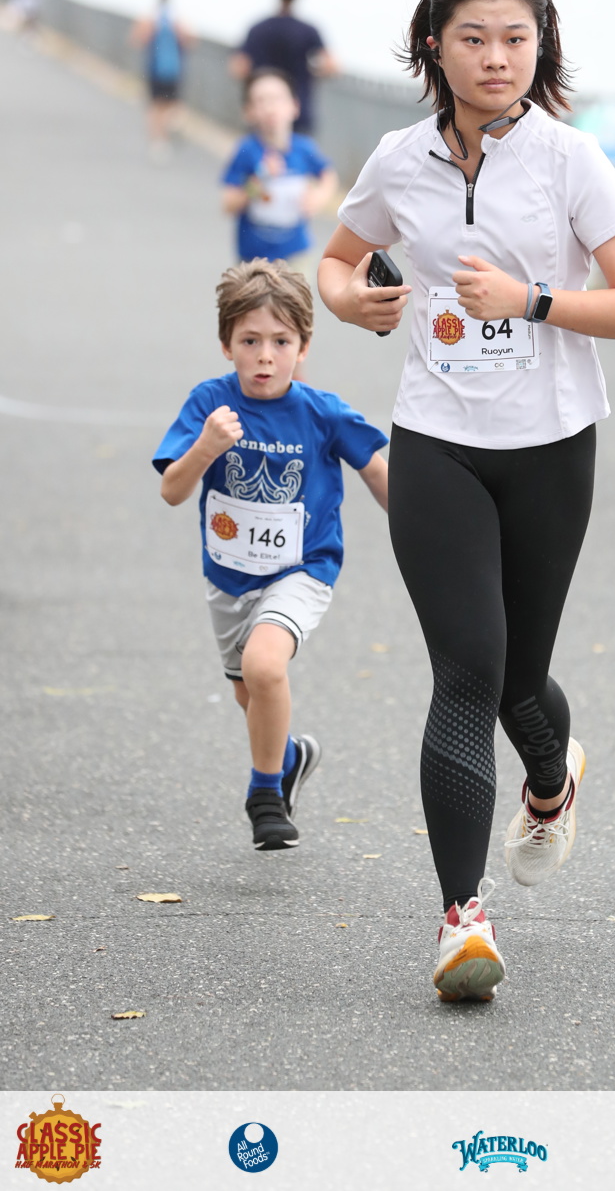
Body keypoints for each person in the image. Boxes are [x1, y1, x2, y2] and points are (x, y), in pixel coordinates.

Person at [318, 0, 615, 1002]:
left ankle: (551, 780)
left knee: (518, 678)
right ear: (436, 47)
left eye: (517, 38)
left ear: (539, 47)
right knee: (467, 667)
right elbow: (335, 260)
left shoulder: (570, 159)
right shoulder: (399, 159)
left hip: (551, 445)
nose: (497, 57)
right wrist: (351, 301)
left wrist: (531, 301)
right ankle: (461, 921)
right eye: (475, 38)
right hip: (435, 440)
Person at [152, 260, 388, 852]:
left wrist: (435, 531)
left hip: (302, 570)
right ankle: (289, 757)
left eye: (280, 342)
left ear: (303, 346)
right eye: (249, 341)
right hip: (229, 577)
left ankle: (265, 796)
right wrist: (206, 446)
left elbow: (379, 475)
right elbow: (172, 491)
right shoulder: (210, 403)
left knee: (263, 668)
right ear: (225, 344)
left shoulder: (322, 412)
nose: (264, 356)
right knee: (248, 692)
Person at [221, 67, 337, 269]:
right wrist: (261, 178)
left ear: (295, 106)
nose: (270, 107)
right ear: (248, 112)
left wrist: (320, 197)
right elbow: (228, 205)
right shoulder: (246, 150)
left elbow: (328, 174)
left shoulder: (304, 148)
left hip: (295, 255)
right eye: (261, 101)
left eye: (277, 99)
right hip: (252, 259)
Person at [230, 0, 340, 135]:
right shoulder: (308, 31)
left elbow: (238, 69)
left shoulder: (258, 29)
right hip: (297, 111)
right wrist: (311, 72)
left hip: (262, 112)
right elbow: (332, 67)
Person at [130, 0, 193, 160]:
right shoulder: (176, 19)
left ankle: (158, 140)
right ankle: (162, 138)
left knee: (157, 107)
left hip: (158, 70)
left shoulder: (153, 18)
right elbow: (190, 41)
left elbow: (137, 40)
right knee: (166, 105)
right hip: (172, 70)